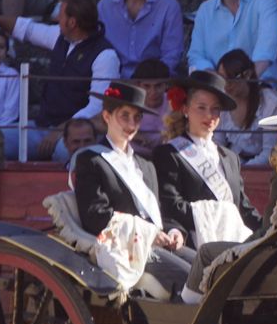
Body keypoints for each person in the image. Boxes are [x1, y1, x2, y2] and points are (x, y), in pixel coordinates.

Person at [69, 81, 195, 295]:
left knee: (209, 268)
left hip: (159, 244)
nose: (131, 123)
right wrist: (148, 234)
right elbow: (96, 216)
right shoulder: (91, 160)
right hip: (128, 248)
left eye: (137, 117)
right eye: (124, 115)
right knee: (191, 277)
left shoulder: (145, 165)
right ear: (106, 116)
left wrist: (174, 232)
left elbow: (160, 214)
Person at [153, 71, 263, 274]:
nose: (209, 116)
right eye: (201, 108)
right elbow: (171, 204)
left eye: (215, 110)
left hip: (236, 242)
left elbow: (242, 207)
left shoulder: (230, 158)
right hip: (195, 245)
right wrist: (220, 215)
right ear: (185, 109)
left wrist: (268, 230)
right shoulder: (169, 154)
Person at [7, 0, 119, 158]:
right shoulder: (60, 37)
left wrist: (63, 129)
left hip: (79, 134)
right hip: (42, 126)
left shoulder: (105, 56)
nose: (57, 19)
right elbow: (27, 30)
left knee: (66, 153)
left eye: (60, 14)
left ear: (72, 22)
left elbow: (97, 106)